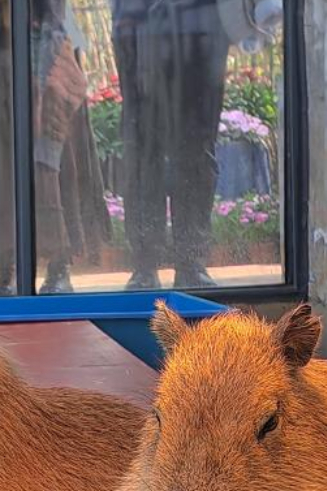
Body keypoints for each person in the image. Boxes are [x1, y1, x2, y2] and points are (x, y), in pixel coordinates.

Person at [0, 0, 110, 294]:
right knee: (1, 173)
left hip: (45, 61)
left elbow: (53, 20)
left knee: (49, 167)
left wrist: (43, 84)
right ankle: (8, 266)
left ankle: (59, 266)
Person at [111, 0, 230, 290]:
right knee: (143, 149)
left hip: (200, 23)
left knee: (196, 149)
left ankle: (191, 261)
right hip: (138, 22)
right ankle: (144, 262)